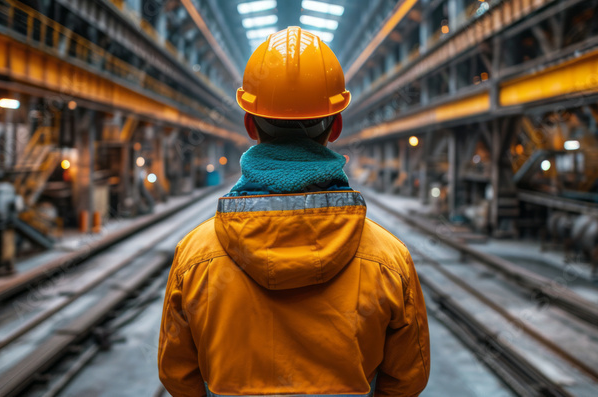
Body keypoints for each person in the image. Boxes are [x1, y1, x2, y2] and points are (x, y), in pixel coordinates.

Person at [158, 27, 430, 397]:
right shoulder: (388, 259)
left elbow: (177, 375)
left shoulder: (195, 257)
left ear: (249, 123)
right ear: (336, 125)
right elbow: (407, 379)